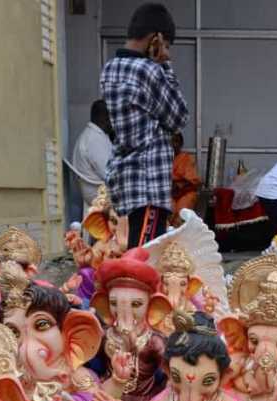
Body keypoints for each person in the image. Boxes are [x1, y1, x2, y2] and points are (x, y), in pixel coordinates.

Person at [100, 3, 189, 250]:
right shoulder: (149, 71)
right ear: (155, 39)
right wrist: (165, 66)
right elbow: (179, 116)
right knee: (144, 257)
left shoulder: (110, 69)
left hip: (126, 179)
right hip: (149, 182)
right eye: (166, 45)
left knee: (134, 253)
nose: (167, 53)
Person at [71, 99, 114, 217]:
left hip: (96, 192)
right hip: (100, 194)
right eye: (113, 117)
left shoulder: (94, 135)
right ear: (104, 118)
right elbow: (110, 174)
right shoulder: (94, 140)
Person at [169, 131, 200, 225]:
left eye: (176, 141)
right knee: (168, 211)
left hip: (185, 193)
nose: (174, 144)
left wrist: (179, 186)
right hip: (169, 193)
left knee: (182, 213)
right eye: (172, 142)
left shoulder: (187, 158)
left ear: (181, 144)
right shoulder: (163, 159)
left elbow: (194, 182)